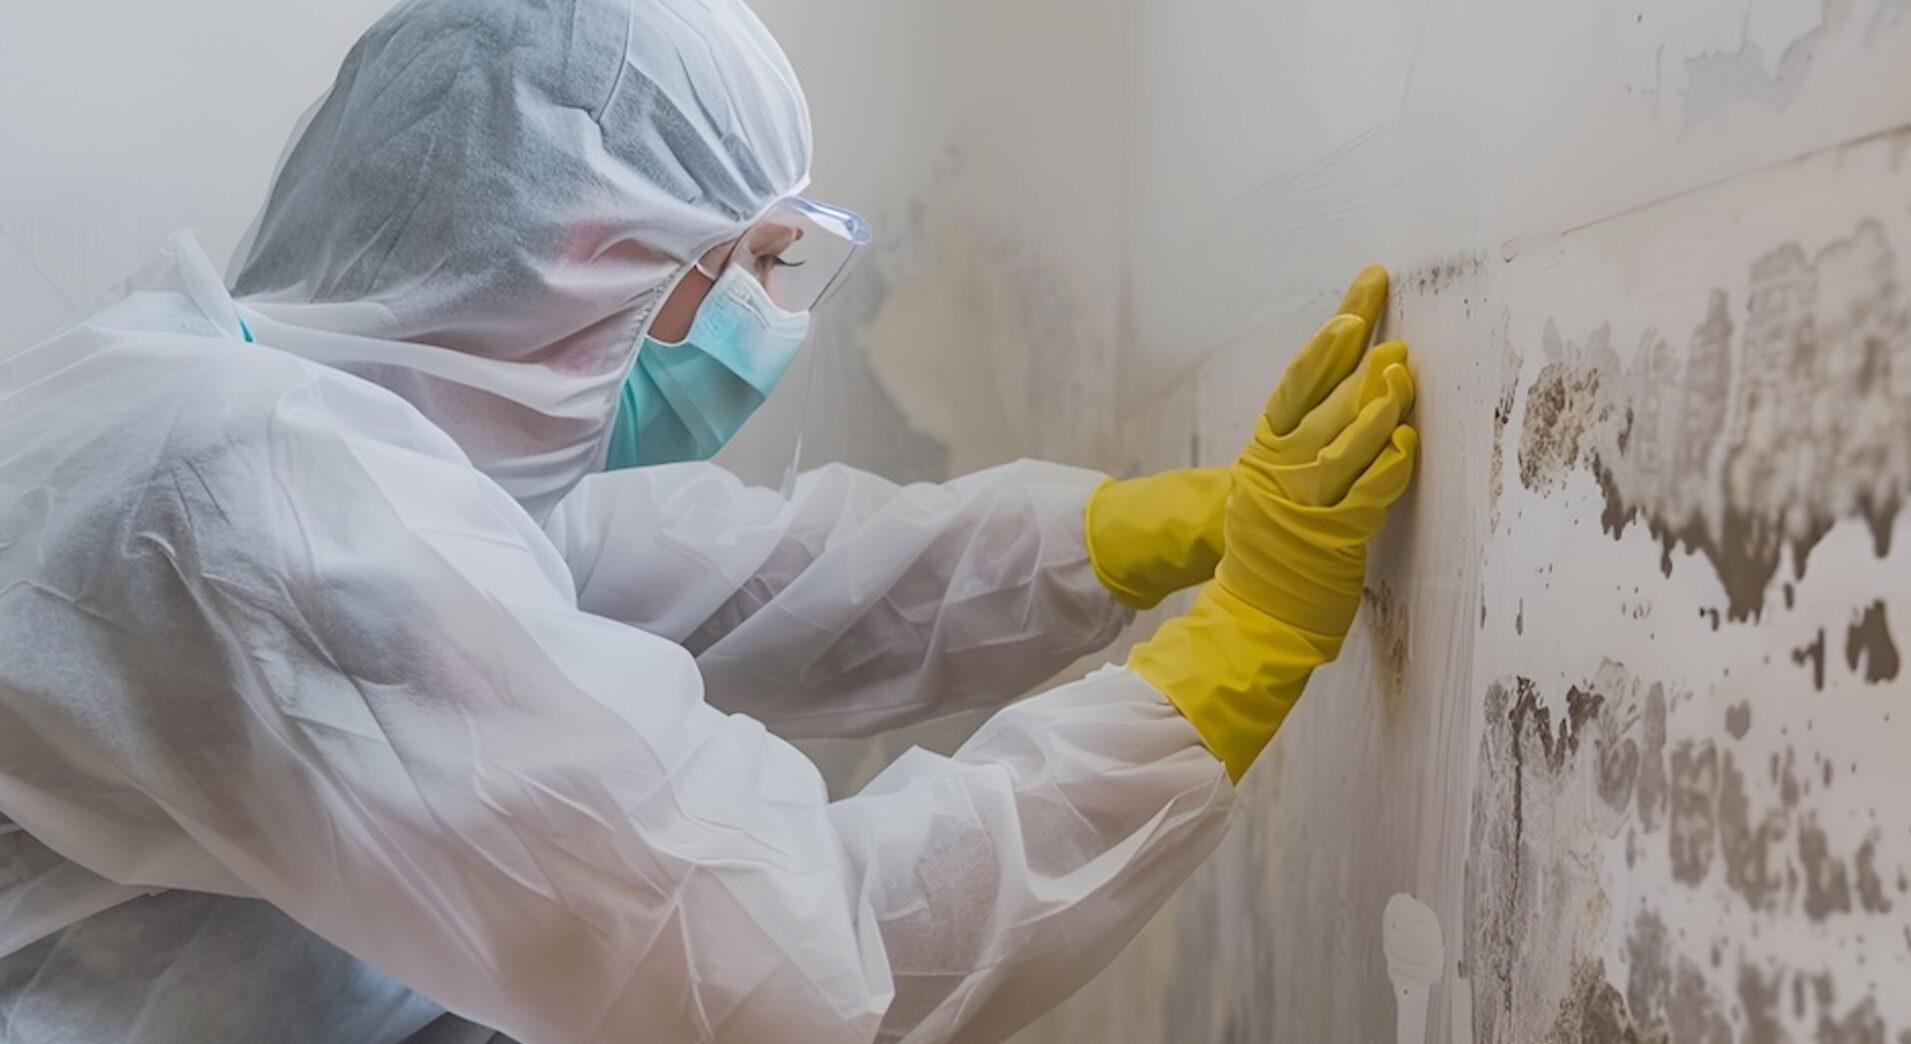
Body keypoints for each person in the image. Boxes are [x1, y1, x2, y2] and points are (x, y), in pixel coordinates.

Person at [0, 0, 1419, 1040]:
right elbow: (788, 964)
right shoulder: (264, 501)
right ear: (584, 250)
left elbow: (751, 584)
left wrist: (1122, 534)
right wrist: (1221, 670)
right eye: (748, 266)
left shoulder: (270, 413)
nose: (756, 328)